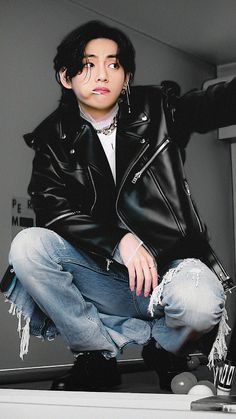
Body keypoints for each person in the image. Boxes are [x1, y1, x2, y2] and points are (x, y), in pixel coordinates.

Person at [1, 20, 235, 392]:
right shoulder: (52, 139)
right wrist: (120, 241)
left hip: (168, 273)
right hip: (104, 276)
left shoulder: (158, 108)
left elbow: (211, 104)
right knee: (27, 246)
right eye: (88, 64)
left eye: (114, 64)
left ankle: (165, 349)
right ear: (66, 76)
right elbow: (52, 211)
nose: (102, 74)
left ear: (126, 76)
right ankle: (96, 356)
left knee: (202, 303)